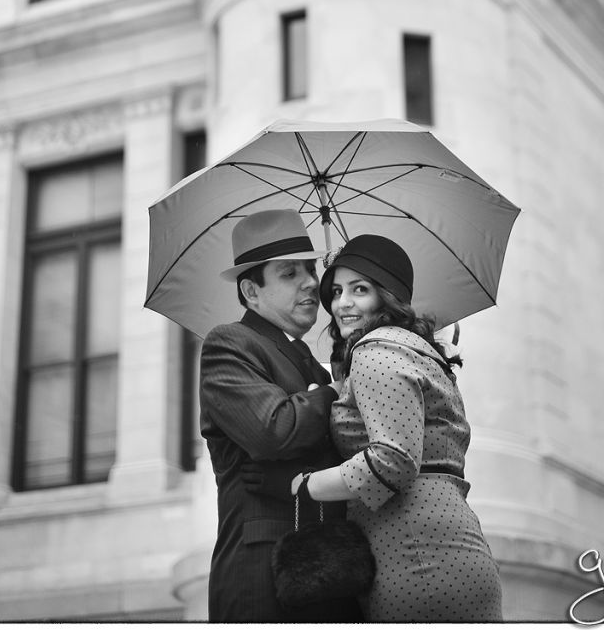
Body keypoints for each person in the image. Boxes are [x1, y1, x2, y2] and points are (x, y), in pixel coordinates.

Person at [289, 235, 503, 623]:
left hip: (415, 554)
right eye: (336, 291)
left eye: (360, 289)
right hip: (449, 544)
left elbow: (393, 460)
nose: (342, 304)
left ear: (386, 296)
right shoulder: (418, 351)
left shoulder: (375, 349)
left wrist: (310, 484)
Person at [199, 209, 362, 623]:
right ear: (252, 292)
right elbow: (275, 430)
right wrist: (333, 393)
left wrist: (327, 385)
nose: (311, 282)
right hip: (263, 576)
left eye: (310, 269)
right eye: (289, 274)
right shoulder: (230, 343)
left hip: (334, 573)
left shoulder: (317, 362)